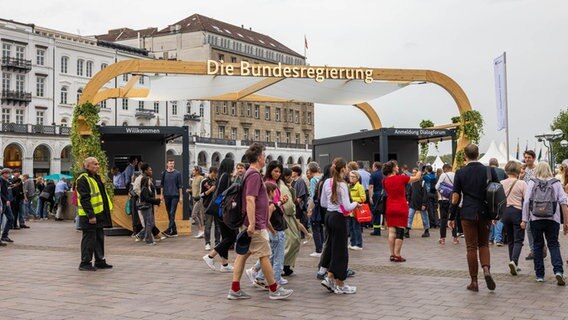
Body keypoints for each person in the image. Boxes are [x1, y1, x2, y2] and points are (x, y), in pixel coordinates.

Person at [228, 143, 293, 300]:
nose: (265, 158)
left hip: (255, 222)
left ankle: (235, 289)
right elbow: (250, 199)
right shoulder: (254, 175)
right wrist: (252, 223)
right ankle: (274, 289)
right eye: (264, 155)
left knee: (242, 255)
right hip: (255, 224)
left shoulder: (250, 173)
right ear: (258, 157)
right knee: (265, 255)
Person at [449, 144, 498, 292]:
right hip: (485, 212)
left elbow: (456, 196)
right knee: (484, 244)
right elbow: (497, 191)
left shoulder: (460, 172)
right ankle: (486, 269)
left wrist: (451, 216)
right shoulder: (489, 171)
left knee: (471, 247)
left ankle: (474, 281)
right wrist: (496, 214)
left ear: (465, 156)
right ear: (478, 154)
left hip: (468, 213)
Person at [521, 162, 568, 285]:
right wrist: (566, 222)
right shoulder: (556, 183)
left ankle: (540, 275)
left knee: (537, 245)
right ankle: (558, 271)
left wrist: (524, 219)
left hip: (535, 218)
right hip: (553, 219)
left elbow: (526, 202)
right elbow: (564, 202)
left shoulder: (532, 182)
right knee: (553, 244)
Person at [319, 157, 359, 294]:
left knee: (331, 246)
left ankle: (330, 277)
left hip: (329, 216)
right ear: (343, 169)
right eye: (347, 167)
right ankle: (340, 283)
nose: (348, 169)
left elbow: (323, 202)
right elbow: (348, 206)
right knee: (341, 251)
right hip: (339, 218)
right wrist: (356, 204)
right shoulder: (342, 184)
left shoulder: (327, 182)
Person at [76, 157, 113, 271]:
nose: (97, 166)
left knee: (98, 238)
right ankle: (85, 263)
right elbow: (85, 199)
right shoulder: (83, 179)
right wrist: (91, 215)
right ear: (87, 166)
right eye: (95, 164)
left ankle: (100, 261)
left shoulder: (95, 177)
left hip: (99, 213)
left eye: (98, 164)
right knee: (89, 239)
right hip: (89, 216)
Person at [203, 158, 238, 272]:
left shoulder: (222, 175)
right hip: (223, 210)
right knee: (231, 236)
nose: (234, 167)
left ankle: (224, 264)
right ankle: (210, 256)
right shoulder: (225, 176)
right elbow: (224, 193)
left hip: (220, 210)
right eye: (233, 165)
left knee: (225, 237)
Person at [383, 161, 422, 262]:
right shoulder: (401, 178)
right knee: (400, 231)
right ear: (393, 169)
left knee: (391, 231)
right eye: (396, 166)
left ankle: (391, 254)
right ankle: (397, 254)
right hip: (401, 206)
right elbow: (417, 178)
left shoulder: (385, 181)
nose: (398, 167)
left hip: (390, 206)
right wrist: (420, 169)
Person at [500, 161, 527, 275]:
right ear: (518, 171)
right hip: (517, 211)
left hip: (505, 212)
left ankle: (512, 261)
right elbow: (526, 201)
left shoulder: (501, 183)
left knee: (510, 239)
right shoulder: (522, 184)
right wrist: (525, 219)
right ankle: (514, 261)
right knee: (518, 239)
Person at [521, 150, 538, 260]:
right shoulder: (523, 169)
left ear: (533, 158)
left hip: (536, 201)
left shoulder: (537, 170)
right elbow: (519, 183)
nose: (527, 159)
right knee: (529, 227)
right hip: (525, 202)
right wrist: (521, 176)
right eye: (526, 157)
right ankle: (534, 250)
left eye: (529, 157)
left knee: (535, 226)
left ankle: (538, 248)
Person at [435, 164, 457, 245]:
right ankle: (455, 238)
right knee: (453, 218)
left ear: (444, 169)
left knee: (443, 219)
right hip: (453, 200)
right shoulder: (455, 175)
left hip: (443, 200)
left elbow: (437, 187)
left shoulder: (443, 175)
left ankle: (442, 238)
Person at [406, 167, 430, 238]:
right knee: (409, 216)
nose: (413, 174)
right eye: (413, 172)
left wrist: (424, 204)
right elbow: (409, 192)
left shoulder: (422, 182)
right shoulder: (411, 182)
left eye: (415, 172)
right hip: (412, 203)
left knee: (424, 217)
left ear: (418, 173)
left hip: (421, 203)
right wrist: (408, 201)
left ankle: (426, 231)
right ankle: (407, 231)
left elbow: (425, 194)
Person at [161, 159, 183, 237]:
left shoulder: (178, 173)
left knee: (172, 213)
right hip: (166, 195)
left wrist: (181, 197)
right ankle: (174, 231)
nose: (171, 165)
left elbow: (180, 186)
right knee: (169, 214)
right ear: (167, 164)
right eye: (170, 163)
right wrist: (161, 195)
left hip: (175, 196)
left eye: (173, 163)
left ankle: (168, 230)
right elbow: (162, 185)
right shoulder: (164, 173)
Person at [138, 172, 161, 245]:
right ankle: (148, 239)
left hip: (148, 207)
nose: (150, 181)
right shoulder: (144, 189)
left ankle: (143, 236)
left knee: (150, 223)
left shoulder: (148, 188)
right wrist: (157, 201)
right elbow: (147, 199)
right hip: (146, 207)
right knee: (149, 223)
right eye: (149, 180)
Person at [201, 167, 220, 250]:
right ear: (210, 172)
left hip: (217, 205)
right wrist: (209, 191)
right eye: (213, 173)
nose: (214, 175)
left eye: (216, 173)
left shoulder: (217, 181)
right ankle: (207, 243)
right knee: (208, 225)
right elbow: (201, 194)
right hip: (208, 205)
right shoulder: (205, 181)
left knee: (217, 225)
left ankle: (217, 242)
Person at [488, 158, 506, 245]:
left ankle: (490, 238)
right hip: (499, 196)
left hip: (489, 197)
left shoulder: (486, 171)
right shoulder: (502, 171)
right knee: (499, 217)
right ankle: (498, 238)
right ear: (497, 163)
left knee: (491, 216)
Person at [348, 170, 365, 250]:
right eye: (350, 176)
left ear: (357, 178)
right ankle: (353, 242)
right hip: (350, 210)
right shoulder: (348, 186)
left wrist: (352, 199)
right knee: (351, 227)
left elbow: (363, 198)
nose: (351, 178)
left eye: (353, 177)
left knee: (356, 227)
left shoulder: (360, 187)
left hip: (356, 209)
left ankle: (358, 244)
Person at [368, 162, 384, 236]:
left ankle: (376, 230)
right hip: (384, 193)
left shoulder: (373, 175)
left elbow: (371, 186)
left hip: (376, 194)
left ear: (375, 167)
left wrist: (370, 197)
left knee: (375, 211)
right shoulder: (384, 174)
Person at [1, 168, 15, 243]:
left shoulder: (5, 181)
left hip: (6, 202)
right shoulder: (1, 180)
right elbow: (1, 192)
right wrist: (5, 200)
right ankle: (3, 236)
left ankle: (4, 235)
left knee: (11, 218)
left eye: (9, 173)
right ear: (4, 174)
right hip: (3, 202)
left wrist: (12, 185)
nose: (9, 175)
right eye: (8, 173)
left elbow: (6, 189)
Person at [189, 166, 205, 236]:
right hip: (194, 198)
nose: (192, 172)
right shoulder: (194, 178)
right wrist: (189, 190)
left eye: (193, 171)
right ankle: (202, 231)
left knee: (194, 215)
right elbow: (195, 188)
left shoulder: (201, 178)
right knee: (198, 214)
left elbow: (203, 188)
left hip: (199, 199)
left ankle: (201, 230)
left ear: (197, 171)